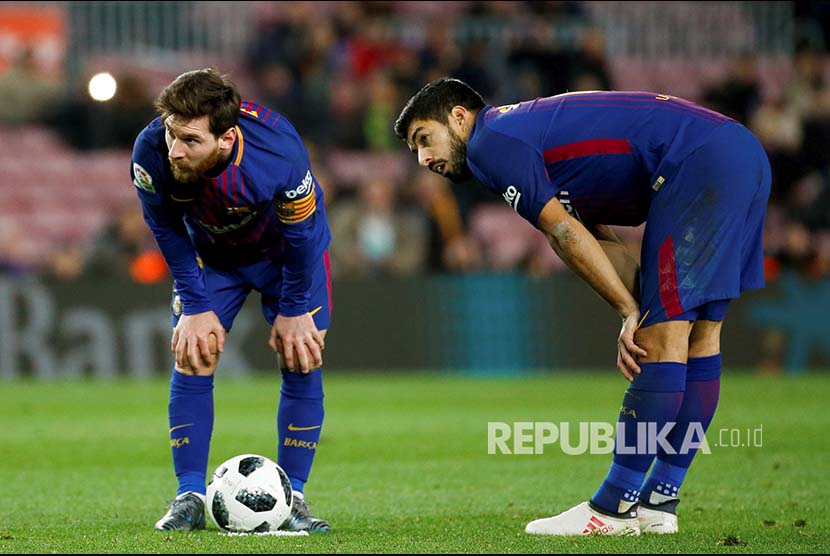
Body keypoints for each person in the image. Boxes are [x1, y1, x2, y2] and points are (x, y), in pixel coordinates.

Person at [394, 78, 770, 536]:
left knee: (664, 335)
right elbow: (592, 233)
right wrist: (636, 305)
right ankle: (658, 502)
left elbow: (563, 234)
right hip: (737, 151)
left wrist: (631, 314)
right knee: (700, 334)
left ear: (458, 116)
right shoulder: (530, 134)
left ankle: (612, 508)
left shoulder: (489, 144)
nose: (423, 159)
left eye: (423, 139)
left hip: (696, 162)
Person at [131, 68, 333, 532]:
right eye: (170, 133)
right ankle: (189, 496)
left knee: (301, 355)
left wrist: (295, 307)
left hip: (286, 256)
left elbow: (302, 235)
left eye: (189, 139)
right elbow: (163, 227)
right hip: (213, 257)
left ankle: (293, 500)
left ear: (226, 138)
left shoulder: (277, 148)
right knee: (193, 353)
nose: (174, 149)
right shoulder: (150, 151)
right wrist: (194, 304)